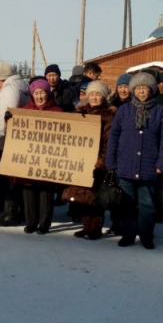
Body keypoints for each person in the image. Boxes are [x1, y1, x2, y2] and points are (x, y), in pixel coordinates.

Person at [106, 72, 163, 249]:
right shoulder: (124, 110)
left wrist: (161, 164)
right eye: (138, 88)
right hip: (125, 164)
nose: (142, 92)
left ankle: (146, 236)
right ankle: (128, 234)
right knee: (127, 204)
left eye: (145, 88)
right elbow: (114, 136)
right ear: (133, 90)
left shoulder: (161, 112)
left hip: (149, 167)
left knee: (148, 206)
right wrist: (111, 161)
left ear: (151, 90)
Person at [65, 80, 117, 239]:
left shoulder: (109, 115)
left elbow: (109, 142)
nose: (94, 98)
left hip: (97, 160)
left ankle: (95, 227)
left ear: (104, 97)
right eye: (91, 94)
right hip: (80, 159)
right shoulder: (80, 113)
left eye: (98, 94)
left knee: (95, 197)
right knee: (83, 195)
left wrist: (101, 162)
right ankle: (86, 226)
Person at [0, 61, 30, 227]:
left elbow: (7, 116)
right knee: (9, 179)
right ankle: (17, 212)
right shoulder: (18, 86)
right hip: (7, 140)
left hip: (2, 142)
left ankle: (11, 214)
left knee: (5, 179)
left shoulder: (10, 90)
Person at [18, 78, 64, 234]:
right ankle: (31, 222)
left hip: (49, 159)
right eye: (36, 93)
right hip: (29, 158)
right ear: (32, 95)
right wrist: (10, 120)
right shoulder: (24, 111)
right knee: (28, 190)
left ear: (48, 93)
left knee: (46, 191)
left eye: (42, 92)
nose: (39, 96)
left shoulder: (57, 112)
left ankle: (44, 224)